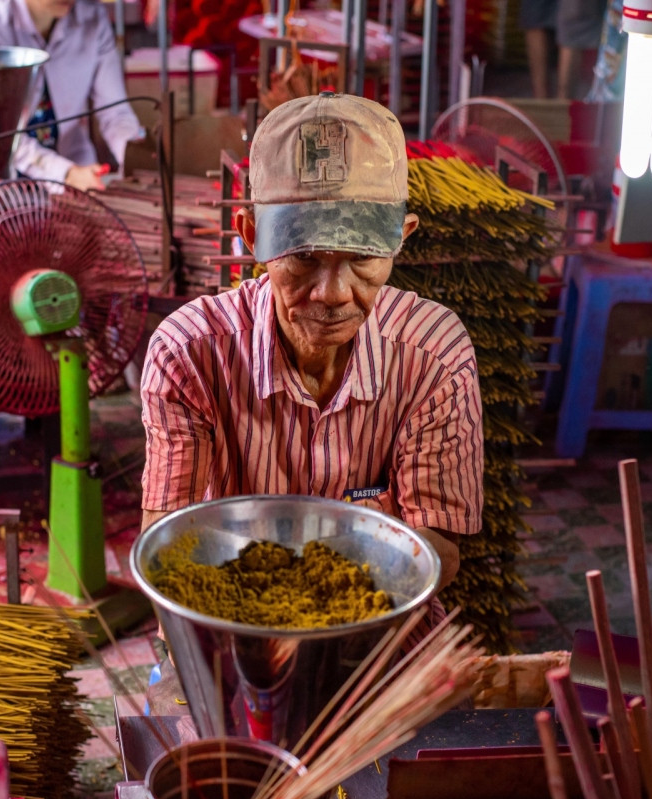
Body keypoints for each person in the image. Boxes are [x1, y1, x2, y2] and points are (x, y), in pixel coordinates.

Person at [138, 92, 485, 598]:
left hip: (377, 618)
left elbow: (440, 549)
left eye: (364, 259)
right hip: (231, 623)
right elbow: (167, 550)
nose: (334, 293)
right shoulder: (188, 354)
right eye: (303, 258)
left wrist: (342, 577)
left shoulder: (434, 358)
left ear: (400, 239)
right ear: (254, 237)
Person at [0, 0, 143, 190]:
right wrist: (65, 173)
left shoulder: (93, 19)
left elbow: (115, 112)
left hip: (75, 167)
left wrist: (138, 158)